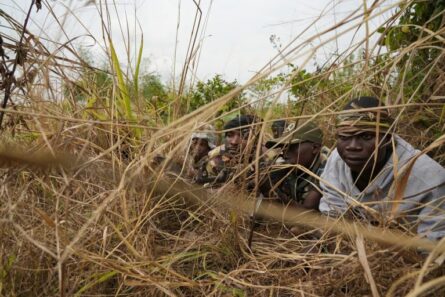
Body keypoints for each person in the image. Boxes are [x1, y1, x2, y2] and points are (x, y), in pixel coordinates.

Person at [319, 96, 445, 241]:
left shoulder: (428, 179)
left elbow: (434, 247)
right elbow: (333, 216)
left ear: (387, 138)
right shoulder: (336, 160)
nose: (352, 146)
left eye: (366, 136)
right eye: (344, 136)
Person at [261, 121, 329, 210]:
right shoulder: (288, 163)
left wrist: (271, 191)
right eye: (283, 147)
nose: (285, 152)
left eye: (292, 147)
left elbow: (306, 214)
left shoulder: (327, 170)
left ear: (315, 148)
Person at [195, 114, 268, 187]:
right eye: (230, 135)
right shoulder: (215, 157)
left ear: (255, 140)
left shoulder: (267, 156)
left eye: (243, 136)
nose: (234, 142)